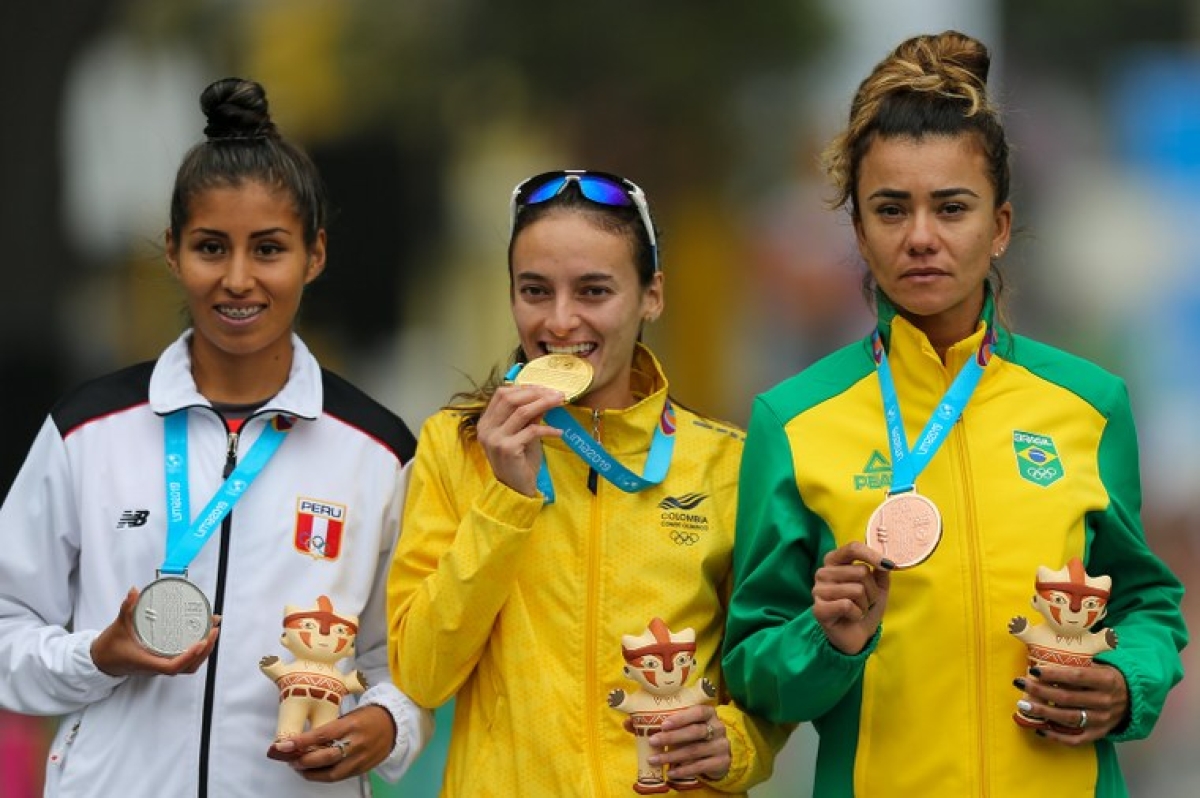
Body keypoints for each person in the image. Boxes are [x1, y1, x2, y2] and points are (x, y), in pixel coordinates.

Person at [722, 30, 1187, 798]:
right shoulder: (793, 421)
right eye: (891, 210)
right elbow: (754, 668)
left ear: (999, 227)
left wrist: (1126, 681)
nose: (922, 237)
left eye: (952, 207)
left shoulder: (1090, 405)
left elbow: (1146, 603)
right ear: (860, 234)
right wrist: (824, 640)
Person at [0, 77, 432, 796]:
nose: (238, 280)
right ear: (172, 252)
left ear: (314, 255)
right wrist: (95, 656)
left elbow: (412, 658)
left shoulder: (379, 452)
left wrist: (388, 723)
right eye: (210, 248)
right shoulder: (87, 430)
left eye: (268, 249)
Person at [387, 169, 790, 796]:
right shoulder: (456, 446)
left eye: (594, 291)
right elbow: (420, 674)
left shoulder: (725, 464)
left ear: (651, 295)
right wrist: (506, 500)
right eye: (535, 290)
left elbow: (766, 680)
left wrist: (734, 744)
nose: (561, 320)